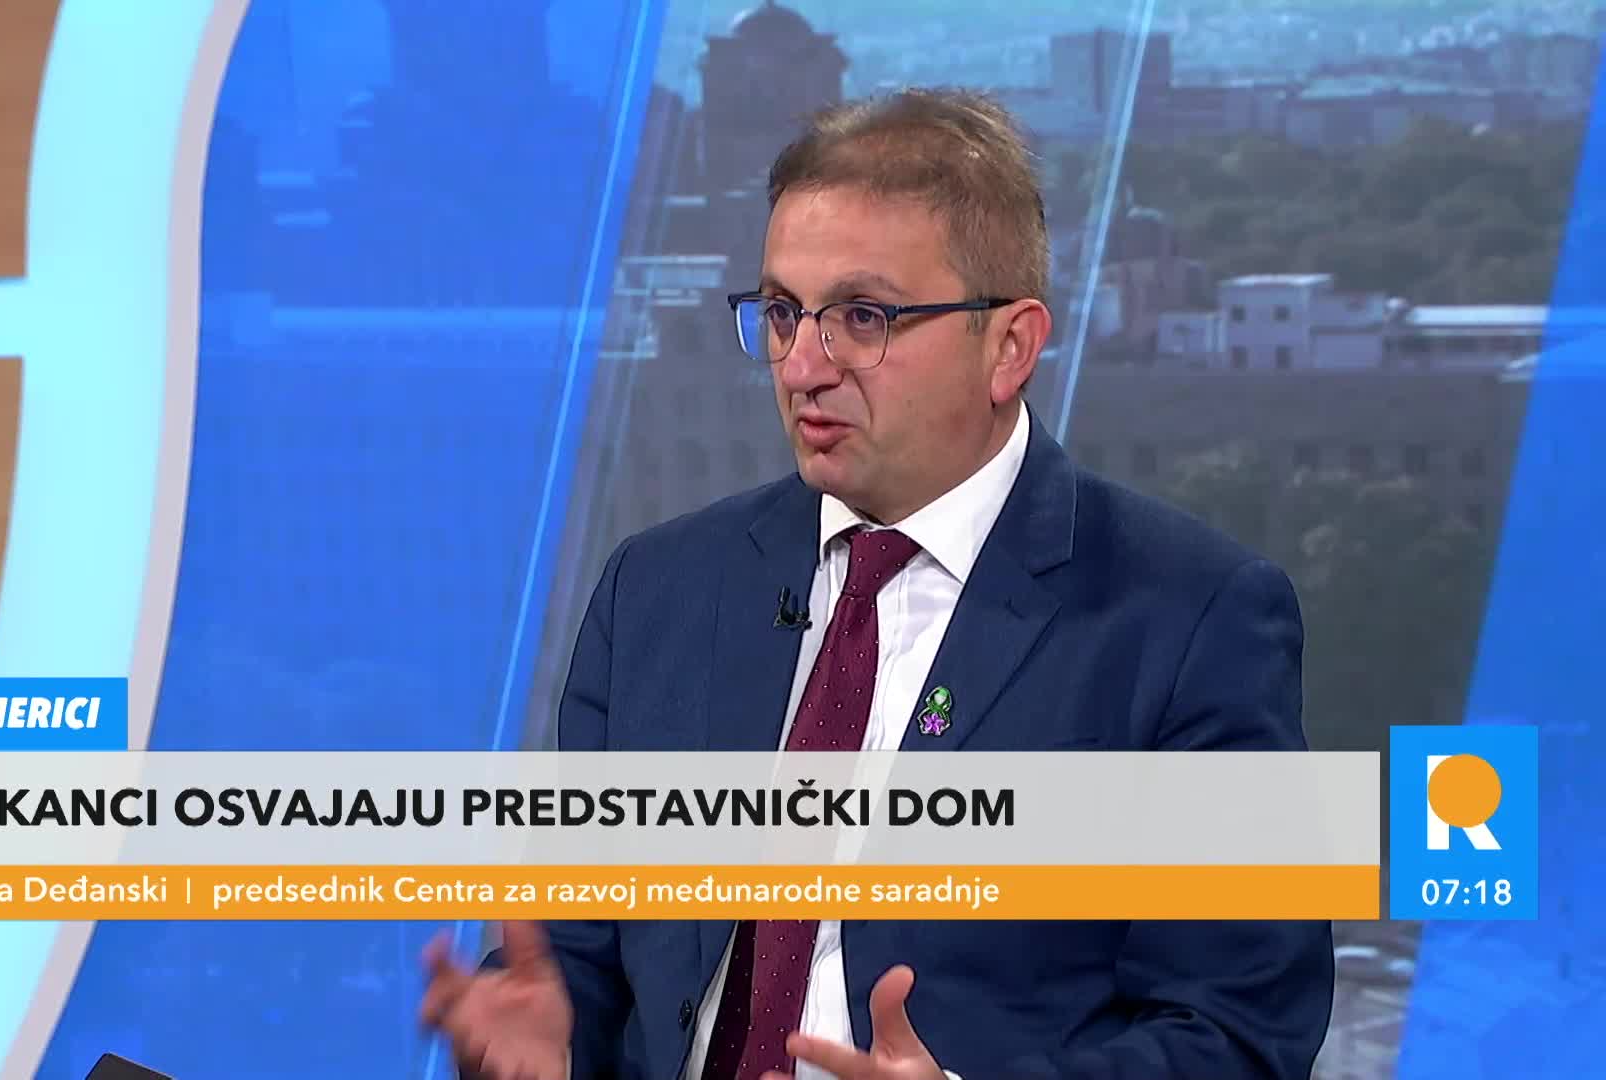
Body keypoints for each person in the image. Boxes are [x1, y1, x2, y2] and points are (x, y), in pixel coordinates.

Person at [421, 87, 1333, 1080]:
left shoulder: (1189, 620)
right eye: (782, 313)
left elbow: (1236, 1033)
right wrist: (550, 1042)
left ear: (1009, 347)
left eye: (862, 317)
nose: (802, 367)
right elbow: (580, 963)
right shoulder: (659, 590)